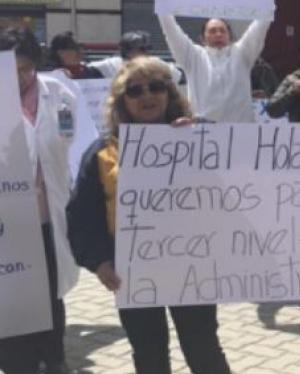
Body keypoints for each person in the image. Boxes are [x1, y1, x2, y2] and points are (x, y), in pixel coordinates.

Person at [67, 56, 231, 374]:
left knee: (203, 349)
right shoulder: (103, 152)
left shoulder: (199, 135)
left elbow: (241, 183)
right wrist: (99, 262)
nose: (147, 96)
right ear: (121, 101)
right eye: (135, 90)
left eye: (156, 87)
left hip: (191, 266)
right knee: (149, 354)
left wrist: (201, 136)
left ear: (169, 93)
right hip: (132, 271)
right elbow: (81, 217)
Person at [0, 28, 80, 374]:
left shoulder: (59, 93)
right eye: (10, 70)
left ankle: (55, 357)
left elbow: (74, 144)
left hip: (48, 215)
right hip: (8, 224)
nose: (19, 78)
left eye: (25, 69)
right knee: (11, 295)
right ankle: (18, 362)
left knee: (51, 293)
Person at [149, 0, 280, 122]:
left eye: (222, 30)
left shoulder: (242, 53)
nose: (218, 34)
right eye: (212, 31)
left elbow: (261, 23)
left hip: (241, 131)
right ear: (202, 39)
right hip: (203, 133)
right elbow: (170, 29)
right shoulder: (193, 56)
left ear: (229, 36)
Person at [88, 30, 183, 83]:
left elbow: (177, 76)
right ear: (127, 51)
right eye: (140, 49)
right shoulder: (113, 64)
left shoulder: (154, 63)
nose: (145, 53)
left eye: (146, 49)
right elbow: (87, 69)